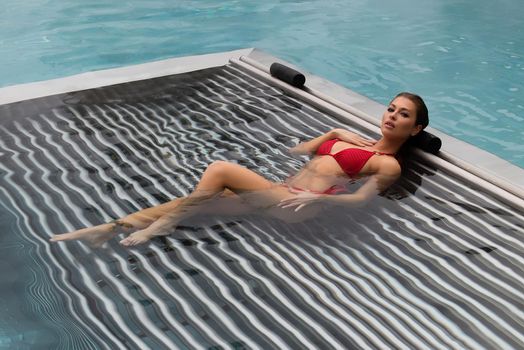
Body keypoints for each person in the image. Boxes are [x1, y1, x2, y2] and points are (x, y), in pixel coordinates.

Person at [50, 92, 428, 247]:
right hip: (278, 190)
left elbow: (362, 200)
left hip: (298, 204)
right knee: (194, 202)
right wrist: (328, 135)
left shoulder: (387, 163)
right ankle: (108, 229)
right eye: (391, 109)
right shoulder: (350, 137)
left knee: (220, 169)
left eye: (403, 115)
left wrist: (319, 195)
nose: (392, 116)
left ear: (416, 128)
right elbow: (298, 150)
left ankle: (160, 227)